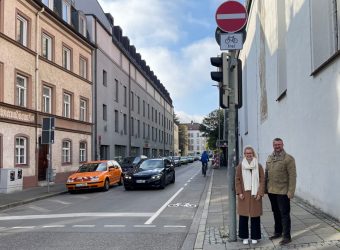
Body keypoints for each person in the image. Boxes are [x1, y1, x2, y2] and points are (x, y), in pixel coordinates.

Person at [265, 138, 296, 245]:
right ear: (273, 145)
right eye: (275, 144)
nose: (277, 146)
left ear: (283, 145)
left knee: (284, 214)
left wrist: (291, 191)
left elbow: (293, 176)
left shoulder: (288, 159)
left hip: (283, 191)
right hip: (272, 191)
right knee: (276, 213)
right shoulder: (270, 158)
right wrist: (265, 189)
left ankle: (287, 236)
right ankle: (278, 232)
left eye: (279, 144)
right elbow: (266, 174)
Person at [235, 146, 265, 245]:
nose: (248, 155)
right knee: (243, 217)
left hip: (255, 195)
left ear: (253, 154)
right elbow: (237, 180)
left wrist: (260, 193)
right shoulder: (240, 166)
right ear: (244, 154)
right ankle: (244, 236)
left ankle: (255, 236)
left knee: (255, 217)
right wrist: (239, 193)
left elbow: (262, 180)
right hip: (244, 195)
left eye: (250, 153)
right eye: (247, 153)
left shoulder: (258, 165)